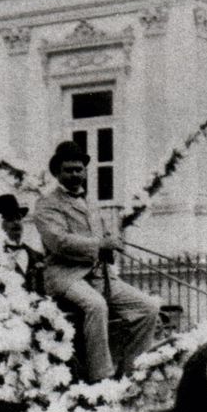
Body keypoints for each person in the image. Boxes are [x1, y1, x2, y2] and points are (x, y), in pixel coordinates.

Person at [33, 140, 158, 382]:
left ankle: (131, 372)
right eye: (69, 169)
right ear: (57, 172)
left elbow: (99, 236)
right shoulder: (47, 204)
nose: (75, 174)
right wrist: (99, 245)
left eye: (79, 169)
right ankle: (101, 377)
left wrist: (109, 242)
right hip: (64, 275)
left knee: (148, 308)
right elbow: (58, 242)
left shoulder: (90, 203)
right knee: (96, 305)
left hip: (98, 274)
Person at [0, 194, 45, 307]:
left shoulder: (37, 256)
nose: (16, 222)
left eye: (18, 218)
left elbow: (44, 294)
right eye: (9, 219)